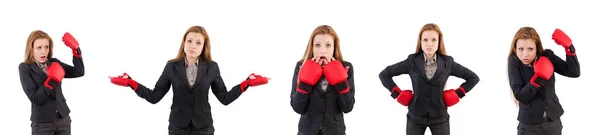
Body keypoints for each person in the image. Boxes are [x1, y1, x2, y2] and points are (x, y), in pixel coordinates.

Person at [109, 25, 269, 135]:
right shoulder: (171, 66)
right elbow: (154, 97)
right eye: (189, 41)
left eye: (198, 42)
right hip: (178, 127)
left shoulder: (212, 67)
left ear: (204, 46)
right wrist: (132, 83)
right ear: (183, 43)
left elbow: (224, 98)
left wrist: (245, 83)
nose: (193, 45)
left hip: (204, 128)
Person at [378, 23, 479, 135]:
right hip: (415, 116)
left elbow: (473, 78)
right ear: (420, 42)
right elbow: (384, 75)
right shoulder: (412, 61)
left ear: (439, 42)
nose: (429, 44)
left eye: (434, 40)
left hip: (439, 117)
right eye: (425, 40)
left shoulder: (448, 63)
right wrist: (397, 94)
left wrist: (458, 94)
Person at [507, 27, 580, 135]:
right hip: (529, 127)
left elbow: (574, 72)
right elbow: (521, 96)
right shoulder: (514, 62)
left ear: (537, 48)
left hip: (553, 123)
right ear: (515, 48)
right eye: (521, 49)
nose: (525, 54)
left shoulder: (547, 56)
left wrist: (569, 48)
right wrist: (539, 77)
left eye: (530, 49)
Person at [290, 25, 355, 135]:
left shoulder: (346, 67)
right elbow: (297, 108)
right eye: (318, 45)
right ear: (312, 47)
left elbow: (347, 108)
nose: (323, 51)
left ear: (335, 47)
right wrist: (305, 84)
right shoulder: (301, 66)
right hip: (307, 131)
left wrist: (340, 82)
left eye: (328, 45)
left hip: (335, 131)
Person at [19, 30, 85, 135]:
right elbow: (35, 99)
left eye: (46, 47)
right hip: (42, 124)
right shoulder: (25, 68)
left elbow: (79, 72)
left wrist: (75, 50)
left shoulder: (54, 63)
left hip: (63, 119)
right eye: (39, 48)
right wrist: (52, 80)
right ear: (31, 49)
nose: (44, 52)